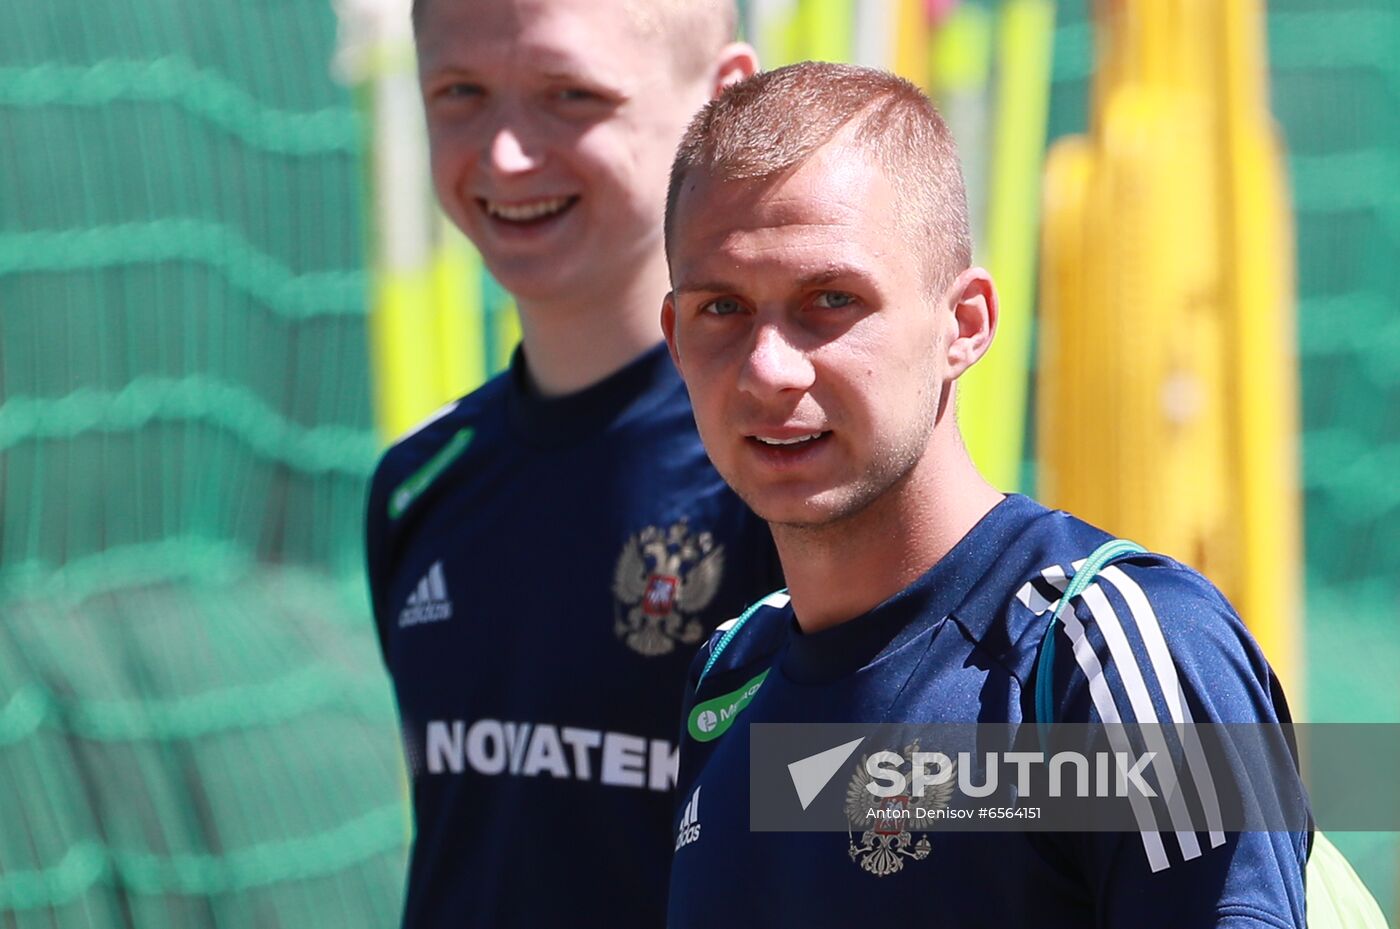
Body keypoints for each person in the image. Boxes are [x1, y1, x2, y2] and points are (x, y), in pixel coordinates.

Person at [660, 61, 1307, 928]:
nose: (769, 368)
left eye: (831, 299)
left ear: (963, 326)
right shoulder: (733, 671)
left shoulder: (1116, 647)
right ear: (673, 334)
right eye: (722, 309)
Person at [363, 2, 774, 926]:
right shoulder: (418, 487)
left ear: (722, 103)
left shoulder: (789, 476)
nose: (506, 154)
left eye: (571, 95)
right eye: (459, 91)